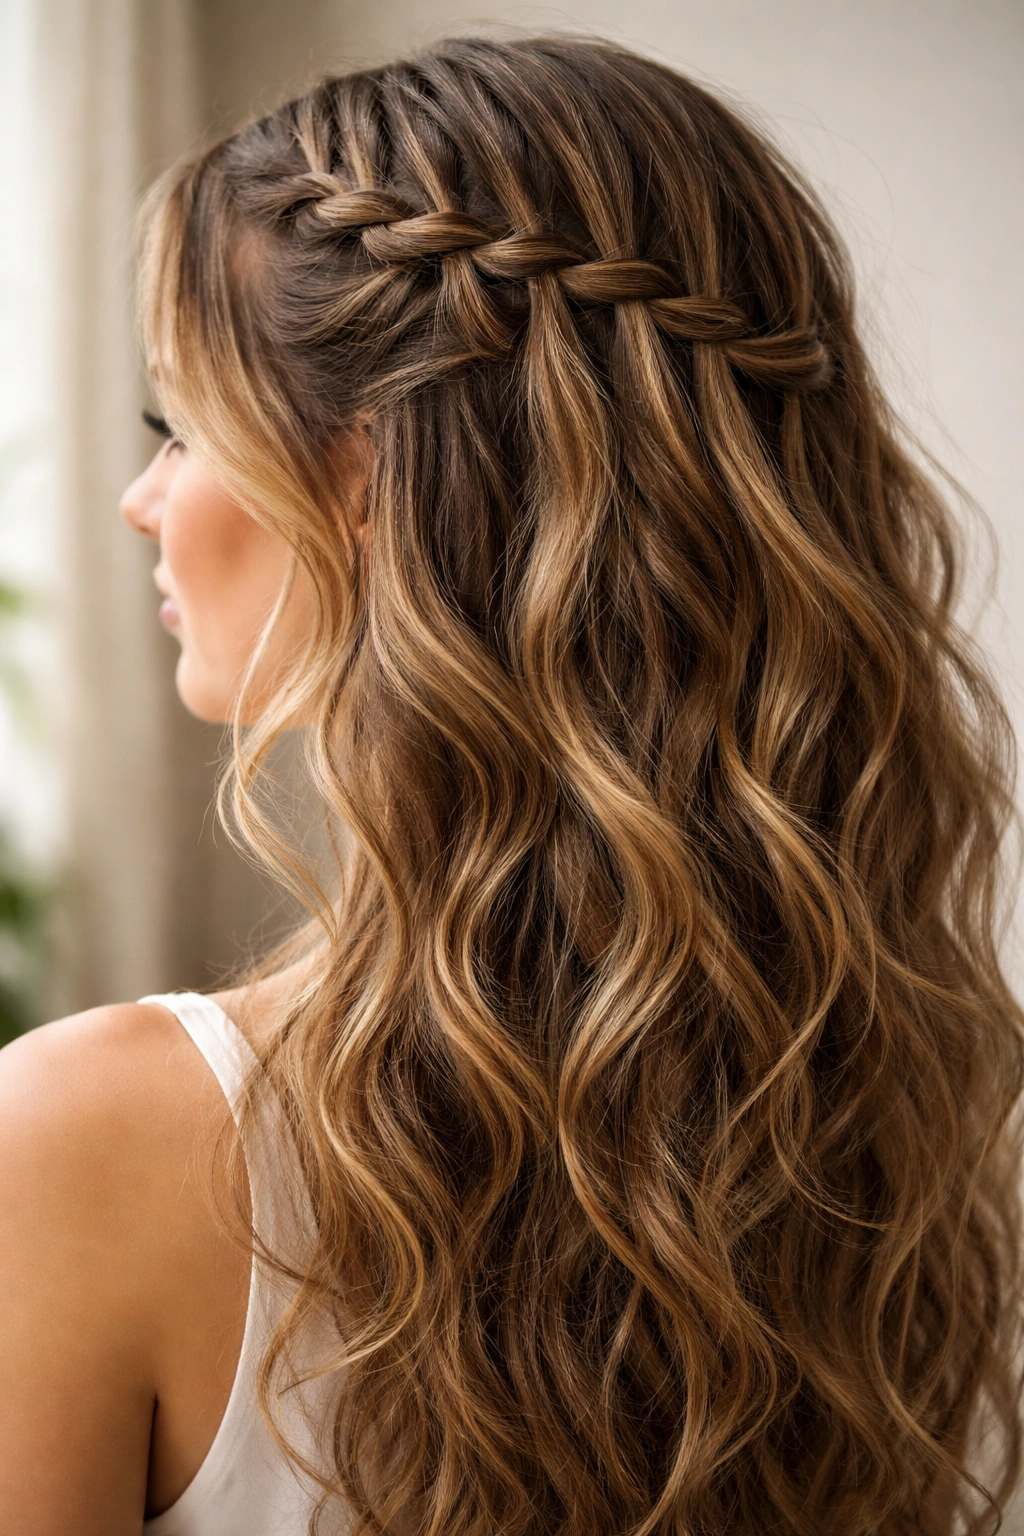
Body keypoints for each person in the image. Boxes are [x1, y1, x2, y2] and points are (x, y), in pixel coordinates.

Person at [0, 35, 1021, 1536]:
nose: (147, 500)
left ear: (371, 485)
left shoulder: (82, 1152)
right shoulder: (875, 1102)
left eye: (183, 427)